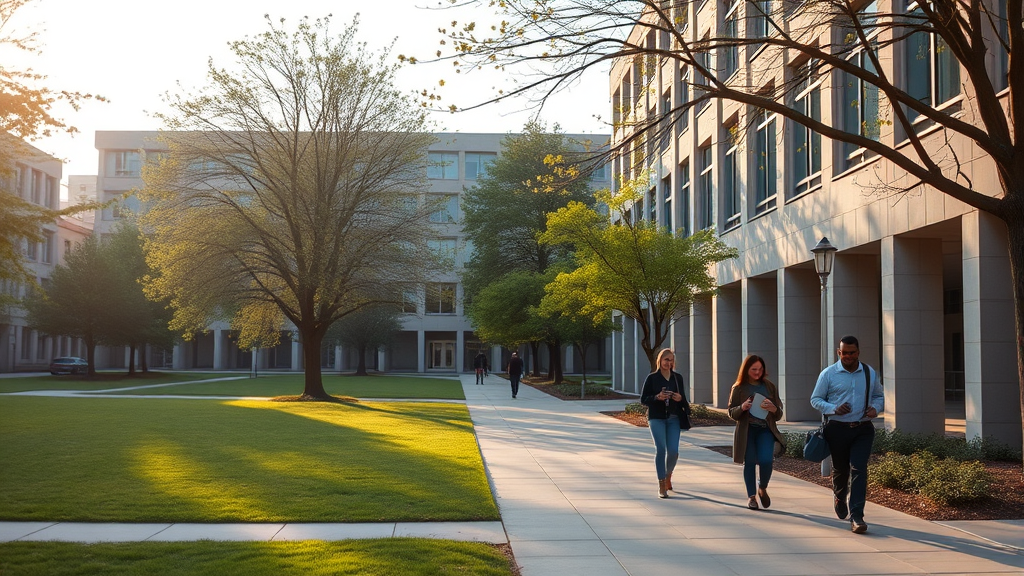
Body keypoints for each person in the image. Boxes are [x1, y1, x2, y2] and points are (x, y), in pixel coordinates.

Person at [810, 335, 884, 534]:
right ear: (838, 352)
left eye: (852, 353)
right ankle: (839, 496)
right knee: (841, 470)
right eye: (844, 353)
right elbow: (815, 399)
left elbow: (879, 396)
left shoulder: (869, 372)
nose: (848, 356)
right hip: (837, 429)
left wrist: (875, 408)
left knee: (859, 469)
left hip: (863, 428)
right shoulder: (828, 374)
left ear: (858, 352)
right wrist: (833, 408)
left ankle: (857, 515)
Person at [727, 355, 786, 510]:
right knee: (750, 462)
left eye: (760, 369)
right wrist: (743, 407)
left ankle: (763, 487)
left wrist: (773, 409)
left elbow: (779, 414)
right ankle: (751, 497)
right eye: (754, 369)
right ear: (746, 370)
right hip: (747, 431)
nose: (757, 372)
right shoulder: (738, 388)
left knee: (767, 461)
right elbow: (731, 412)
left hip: (765, 430)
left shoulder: (769, 386)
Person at [640, 348, 691, 498]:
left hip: (673, 418)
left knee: (673, 452)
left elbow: (684, 399)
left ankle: (668, 475)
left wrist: (678, 398)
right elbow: (643, 399)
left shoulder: (677, 378)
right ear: (660, 361)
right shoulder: (652, 378)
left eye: (671, 360)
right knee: (661, 449)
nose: (668, 363)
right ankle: (662, 484)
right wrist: (657, 397)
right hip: (656, 418)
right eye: (666, 360)